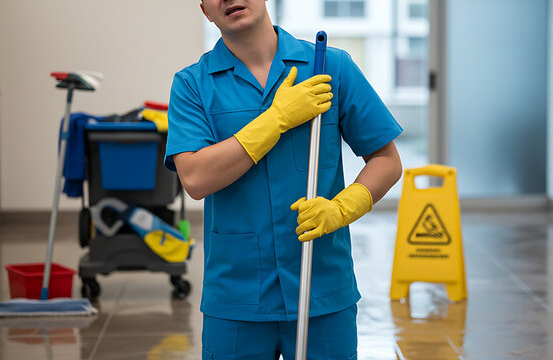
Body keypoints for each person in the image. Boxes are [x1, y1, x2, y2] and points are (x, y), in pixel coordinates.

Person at [164, 0, 403, 358]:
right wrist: (275, 119)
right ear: (205, 10)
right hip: (236, 297)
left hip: (321, 285)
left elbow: (386, 160)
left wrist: (342, 208)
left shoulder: (330, 68)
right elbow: (195, 178)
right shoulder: (192, 85)